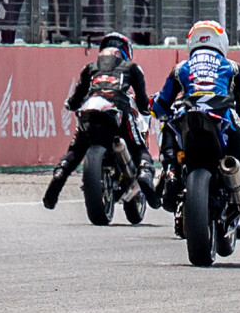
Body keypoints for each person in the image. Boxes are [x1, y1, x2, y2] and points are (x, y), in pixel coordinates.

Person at [151, 20, 240, 257]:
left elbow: (160, 104)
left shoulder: (180, 68)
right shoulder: (232, 67)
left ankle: (171, 174)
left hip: (187, 116)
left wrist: (155, 108)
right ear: (222, 42)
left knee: (169, 126)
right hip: (223, 116)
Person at [43, 33, 158, 210]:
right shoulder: (132, 68)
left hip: (89, 109)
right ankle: (144, 174)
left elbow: (75, 100)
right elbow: (143, 102)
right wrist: (146, 109)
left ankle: (60, 174)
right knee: (139, 148)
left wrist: (70, 105)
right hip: (118, 109)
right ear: (126, 52)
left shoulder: (90, 67)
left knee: (75, 150)